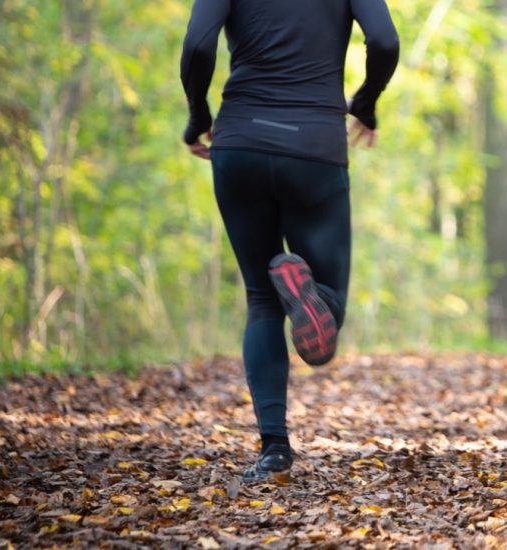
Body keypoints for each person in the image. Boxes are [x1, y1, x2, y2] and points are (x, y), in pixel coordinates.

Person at [180, 0, 399, 482]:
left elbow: (198, 43)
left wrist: (199, 115)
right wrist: (364, 102)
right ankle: (313, 296)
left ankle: (274, 449)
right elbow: (384, 40)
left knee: (261, 300)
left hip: (240, 144)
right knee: (330, 303)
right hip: (313, 146)